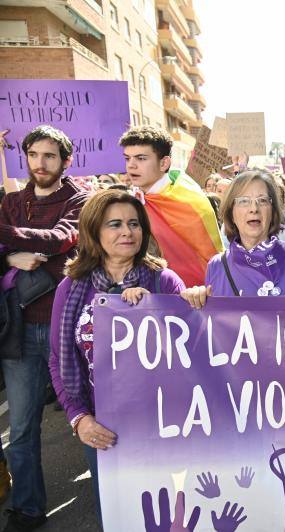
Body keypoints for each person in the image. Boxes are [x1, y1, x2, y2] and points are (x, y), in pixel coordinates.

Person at [48, 190, 185, 521]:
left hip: (163, 426)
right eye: (115, 224)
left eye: (134, 223)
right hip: (102, 428)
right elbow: (58, 358)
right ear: (95, 231)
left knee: (167, 516)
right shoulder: (71, 287)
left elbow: (191, 352)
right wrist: (79, 417)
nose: (127, 232)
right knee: (119, 516)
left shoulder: (163, 281)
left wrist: (156, 307)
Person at [0, 125, 88, 531]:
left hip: (67, 330)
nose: (41, 163)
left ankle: (114, 497)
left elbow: (60, 241)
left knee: (95, 415)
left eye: (50, 156)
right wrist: (11, 258)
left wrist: (9, 242)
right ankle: (29, 506)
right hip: (19, 331)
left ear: (65, 160)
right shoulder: (12, 202)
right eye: (34, 154)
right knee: (20, 427)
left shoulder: (80, 198)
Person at [181, 171, 285, 307]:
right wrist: (196, 300)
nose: (254, 209)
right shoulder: (217, 266)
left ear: (273, 211)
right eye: (244, 201)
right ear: (231, 213)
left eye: (262, 200)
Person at [119, 125, 223, 288]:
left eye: (141, 158)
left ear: (164, 163)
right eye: (127, 158)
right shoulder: (130, 200)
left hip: (193, 297)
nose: (131, 166)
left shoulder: (189, 202)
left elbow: (212, 260)